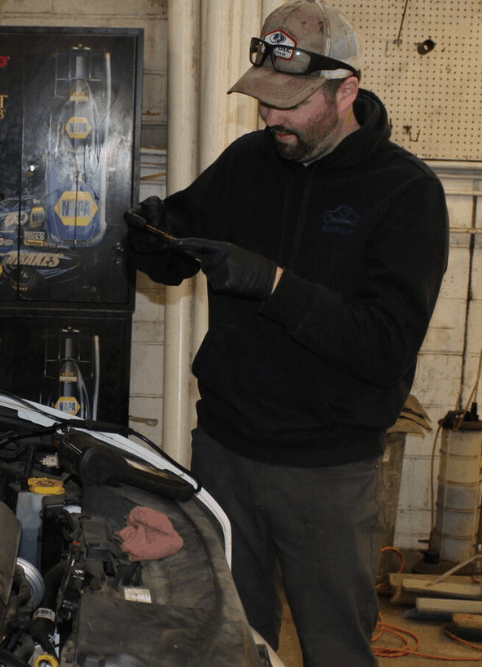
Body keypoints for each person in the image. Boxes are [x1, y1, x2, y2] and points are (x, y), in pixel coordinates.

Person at [124, 1, 449, 665]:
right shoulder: (250, 161)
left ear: (345, 90)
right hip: (225, 449)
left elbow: (383, 343)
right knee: (230, 637)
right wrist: (147, 235)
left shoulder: (404, 193)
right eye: (264, 100)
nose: (272, 117)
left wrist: (274, 284)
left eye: (290, 103)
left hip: (327, 471)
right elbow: (180, 233)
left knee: (335, 645)